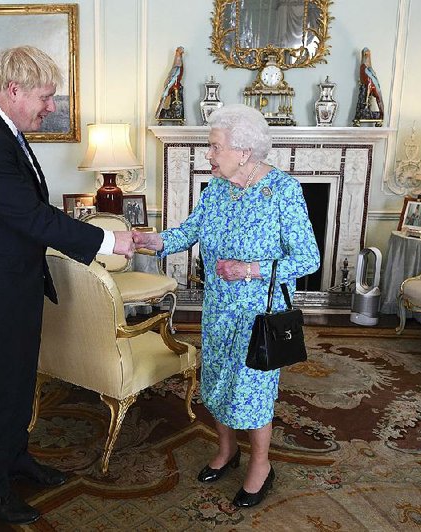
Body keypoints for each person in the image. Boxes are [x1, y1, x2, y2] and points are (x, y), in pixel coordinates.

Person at [0, 45, 134, 526]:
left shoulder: (4, 130)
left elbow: (23, 213)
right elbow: (29, 215)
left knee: (19, 380)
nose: (51, 106)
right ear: (14, 90)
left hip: (13, 284)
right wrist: (109, 238)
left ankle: (15, 460)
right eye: (46, 97)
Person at [133, 104, 320, 509]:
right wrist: (155, 241)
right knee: (217, 381)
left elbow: (308, 259)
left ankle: (261, 465)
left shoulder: (283, 191)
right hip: (217, 307)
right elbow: (191, 230)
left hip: (258, 314)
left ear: (244, 152)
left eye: (214, 147)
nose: (209, 155)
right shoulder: (217, 187)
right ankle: (226, 450)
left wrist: (250, 269)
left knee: (252, 390)